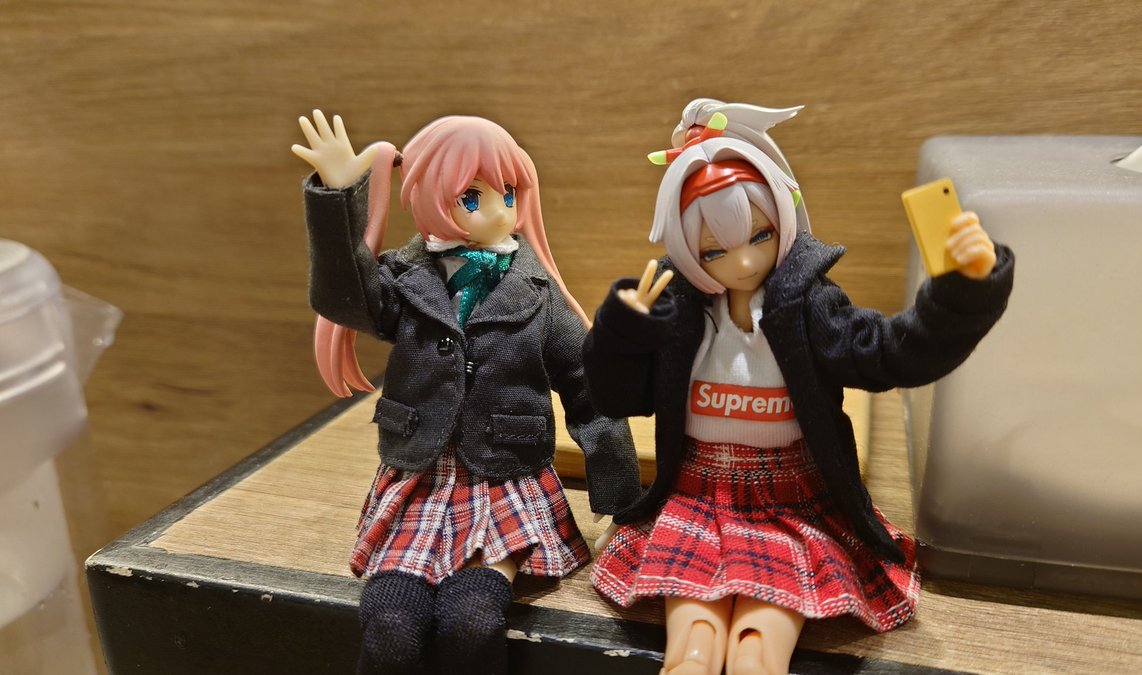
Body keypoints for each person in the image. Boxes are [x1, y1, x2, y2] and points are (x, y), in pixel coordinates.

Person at [583, 109, 1014, 675]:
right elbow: (617, 397)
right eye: (714, 251)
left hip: (789, 502)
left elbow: (889, 353)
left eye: (759, 236)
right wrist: (621, 335)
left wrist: (962, 294)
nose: (743, 261)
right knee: (692, 640)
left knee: (759, 647)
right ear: (688, 250)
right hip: (696, 495)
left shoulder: (808, 307)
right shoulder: (681, 313)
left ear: (783, 218)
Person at [293, 111, 639, 675]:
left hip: (505, 479)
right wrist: (338, 197)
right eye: (472, 198)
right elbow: (342, 296)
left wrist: (621, 503)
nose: (500, 211)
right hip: (418, 478)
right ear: (430, 197)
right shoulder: (404, 279)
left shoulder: (537, 291)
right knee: (389, 625)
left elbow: (591, 393)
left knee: (473, 621)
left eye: (509, 193)